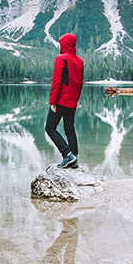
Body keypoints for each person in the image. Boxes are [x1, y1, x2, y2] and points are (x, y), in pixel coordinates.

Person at [45, 33, 84, 168]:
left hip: (61, 100)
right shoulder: (79, 61)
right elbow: (80, 83)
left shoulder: (61, 58)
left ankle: (67, 155)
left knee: (50, 127)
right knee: (69, 128)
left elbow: (57, 81)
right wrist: (76, 100)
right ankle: (74, 158)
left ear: (64, 44)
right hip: (72, 100)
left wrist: (52, 101)